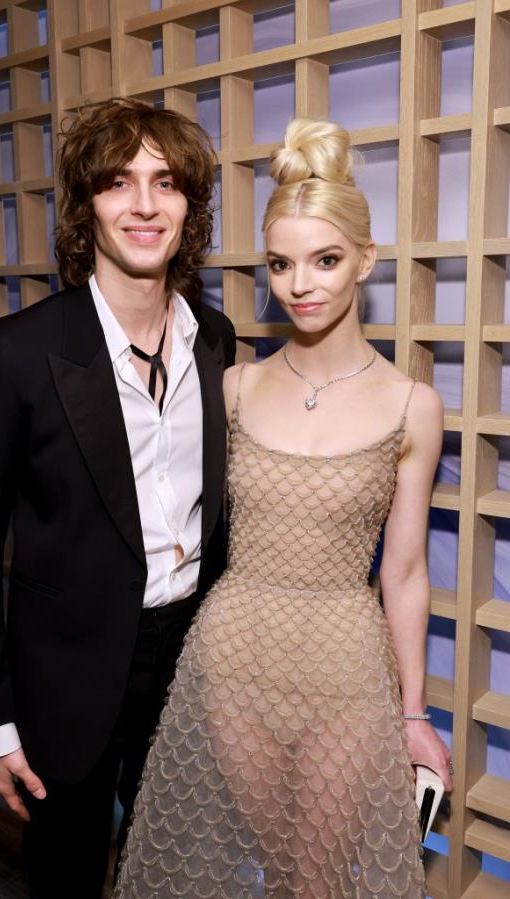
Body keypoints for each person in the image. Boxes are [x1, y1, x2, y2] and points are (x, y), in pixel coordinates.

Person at [114, 118, 453, 898]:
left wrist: (412, 713)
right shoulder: (234, 386)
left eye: (325, 259)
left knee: (316, 879)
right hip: (235, 658)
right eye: (282, 263)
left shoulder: (413, 405)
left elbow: (402, 573)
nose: (300, 284)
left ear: (366, 261)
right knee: (273, 870)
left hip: (344, 666)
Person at [0, 97, 235, 899]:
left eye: (166, 182)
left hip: (187, 662)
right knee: (67, 877)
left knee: (178, 869)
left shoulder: (217, 341)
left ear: (190, 206)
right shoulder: (15, 356)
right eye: (118, 182)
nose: (144, 204)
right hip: (65, 675)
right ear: (86, 206)